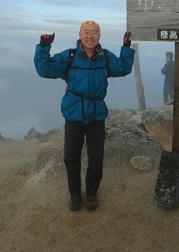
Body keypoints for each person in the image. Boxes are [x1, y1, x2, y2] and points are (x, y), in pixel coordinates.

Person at [34, 20, 135, 212]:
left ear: (99, 36)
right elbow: (44, 70)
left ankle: (91, 193)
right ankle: (74, 194)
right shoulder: (70, 57)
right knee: (71, 157)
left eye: (94, 32)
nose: (90, 36)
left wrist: (126, 48)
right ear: (80, 35)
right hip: (74, 113)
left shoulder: (104, 57)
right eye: (86, 32)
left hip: (96, 114)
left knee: (96, 156)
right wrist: (43, 48)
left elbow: (123, 68)